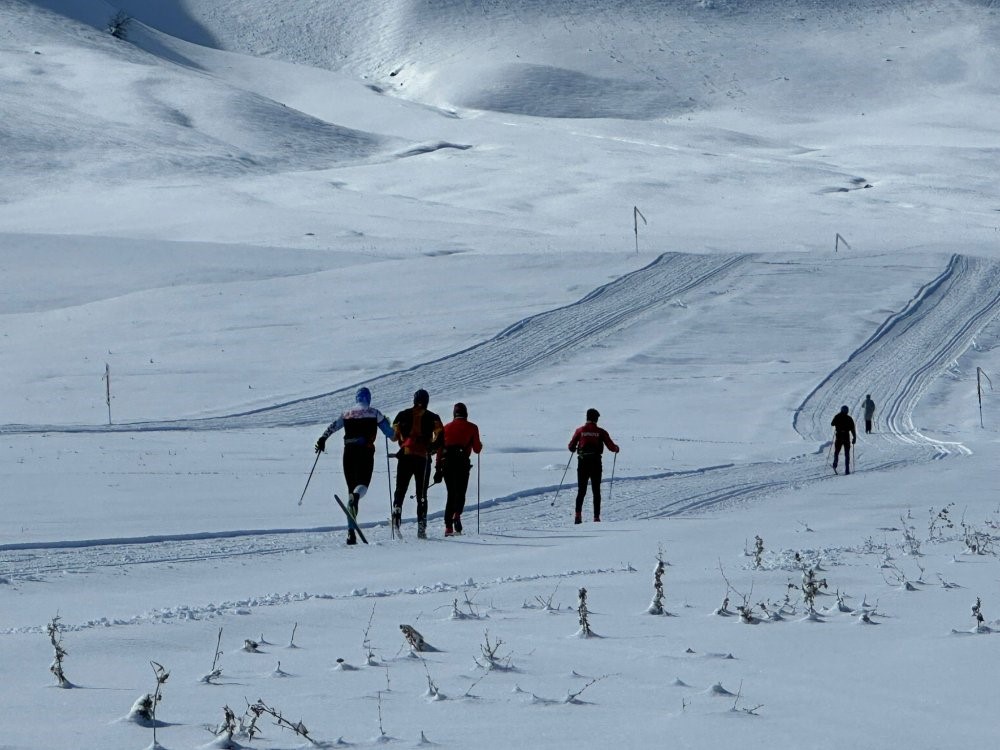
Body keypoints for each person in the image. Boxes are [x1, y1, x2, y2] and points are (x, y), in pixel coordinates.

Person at [315, 387, 394, 544]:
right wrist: (390, 425)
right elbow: (391, 435)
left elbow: (332, 427)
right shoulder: (375, 413)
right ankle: (356, 497)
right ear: (368, 399)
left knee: (351, 490)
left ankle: (351, 531)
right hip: (365, 453)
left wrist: (322, 439)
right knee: (362, 486)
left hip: (348, 454)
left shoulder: (347, 414)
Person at [392, 389, 443, 539]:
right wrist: (432, 448)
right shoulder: (433, 417)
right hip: (423, 458)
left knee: (400, 488)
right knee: (421, 493)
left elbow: (394, 435)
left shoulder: (401, 415)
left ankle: (397, 511)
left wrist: (403, 443)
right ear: (427, 401)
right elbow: (440, 434)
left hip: (405, 456)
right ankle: (421, 524)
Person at [434, 402, 483, 537]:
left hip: (447, 464)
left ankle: (448, 527)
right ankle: (457, 514)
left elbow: (439, 450)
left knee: (451, 493)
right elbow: (477, 449)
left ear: (454, 414)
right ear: (466, 414)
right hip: (462, 464)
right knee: (461, 492)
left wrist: (438, 469)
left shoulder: (446, 428)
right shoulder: (472, 427)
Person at [567, 408, 619, 524]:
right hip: (595, 463)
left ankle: (578, 516)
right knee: (596, 490)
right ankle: (596, 517)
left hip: (582, 462)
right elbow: (611, 447)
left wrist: (573, 448)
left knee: (582, 490)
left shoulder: (580, 430)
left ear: (587, 417)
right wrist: (617, 449)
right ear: (596, 419)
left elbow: (571, 446)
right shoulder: (601, 432)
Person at [830, 405, 857, 475]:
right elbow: (852, 429)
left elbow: (832, 424)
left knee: (837, 451)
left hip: (839, 436)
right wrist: (854, 438)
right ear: (847, 411)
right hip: (846, 436)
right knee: (847, 454)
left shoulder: (837, 416)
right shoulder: (849, 418)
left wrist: (837, 420)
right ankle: (847, 470)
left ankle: (835, 464)